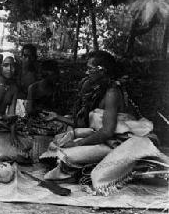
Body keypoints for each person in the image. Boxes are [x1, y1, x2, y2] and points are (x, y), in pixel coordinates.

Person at [40, 51, 165, 194]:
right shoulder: (99, 90)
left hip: (117, 142)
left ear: (102, 71)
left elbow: (107, 132)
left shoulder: (112, 93)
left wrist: (77, 143)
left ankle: (83, 172)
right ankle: (75, 170)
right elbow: (86, 124)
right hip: (104, 139)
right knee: (56, 144)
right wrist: (58, 118)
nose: (87, 73)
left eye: (90, 69)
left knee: (66, 155)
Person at [15, 44, 39, 116]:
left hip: (25, 105)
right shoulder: (15, 69)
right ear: (21, 56)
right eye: (25, 56)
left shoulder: (35, 74)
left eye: (30, 56)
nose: (28, 59)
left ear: (34, 58)